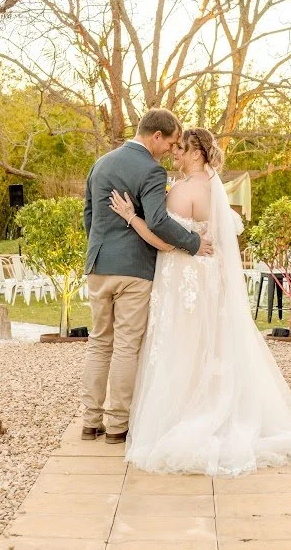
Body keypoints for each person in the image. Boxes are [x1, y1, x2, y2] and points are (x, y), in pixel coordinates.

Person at [109, 126, 291, 475]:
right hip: (210, 279)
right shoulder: (213, 189)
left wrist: (130, 216)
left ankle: (184, 415)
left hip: (184, 279)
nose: (175, 153)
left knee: (184, 345)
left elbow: (164, 239)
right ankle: (211, 405)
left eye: (180, 149)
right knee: (209, 345)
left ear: (196, 154)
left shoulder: (181, 191)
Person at [80, 109, 214, 444]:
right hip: (134, 271)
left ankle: (89, 421)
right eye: (169, 142)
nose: (170, 150)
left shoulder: (102, 163)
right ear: (156, 136)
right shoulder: (150, 169)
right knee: (126, 346)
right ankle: (116, 426)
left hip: (98, 266)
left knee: (98, 342)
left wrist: (100, 250)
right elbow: (157, 220)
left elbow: (89, 216)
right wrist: (193, 243)